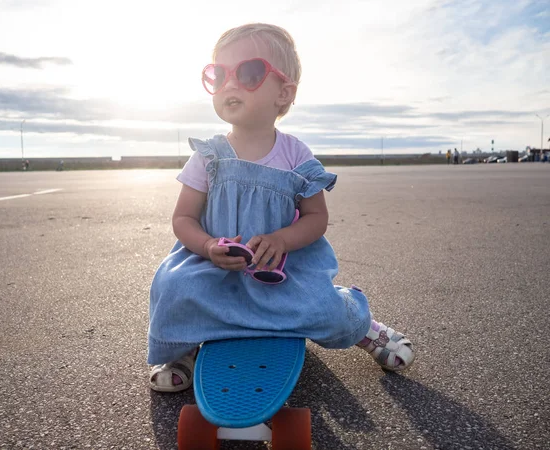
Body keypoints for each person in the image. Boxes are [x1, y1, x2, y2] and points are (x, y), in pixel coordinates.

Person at [147, 23, 415, 392]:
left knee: (321, 308)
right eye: (218, 74)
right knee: (174, 288)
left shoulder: (295, 155)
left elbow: (316, 217)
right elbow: (183, 218)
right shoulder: (208, 155)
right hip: (212, 268)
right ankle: (185, 348)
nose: (229, 84)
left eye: (249, 73)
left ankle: (363, 326)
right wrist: (208, 246)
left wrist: (282, 240)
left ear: (284, 93)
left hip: (280, 269)